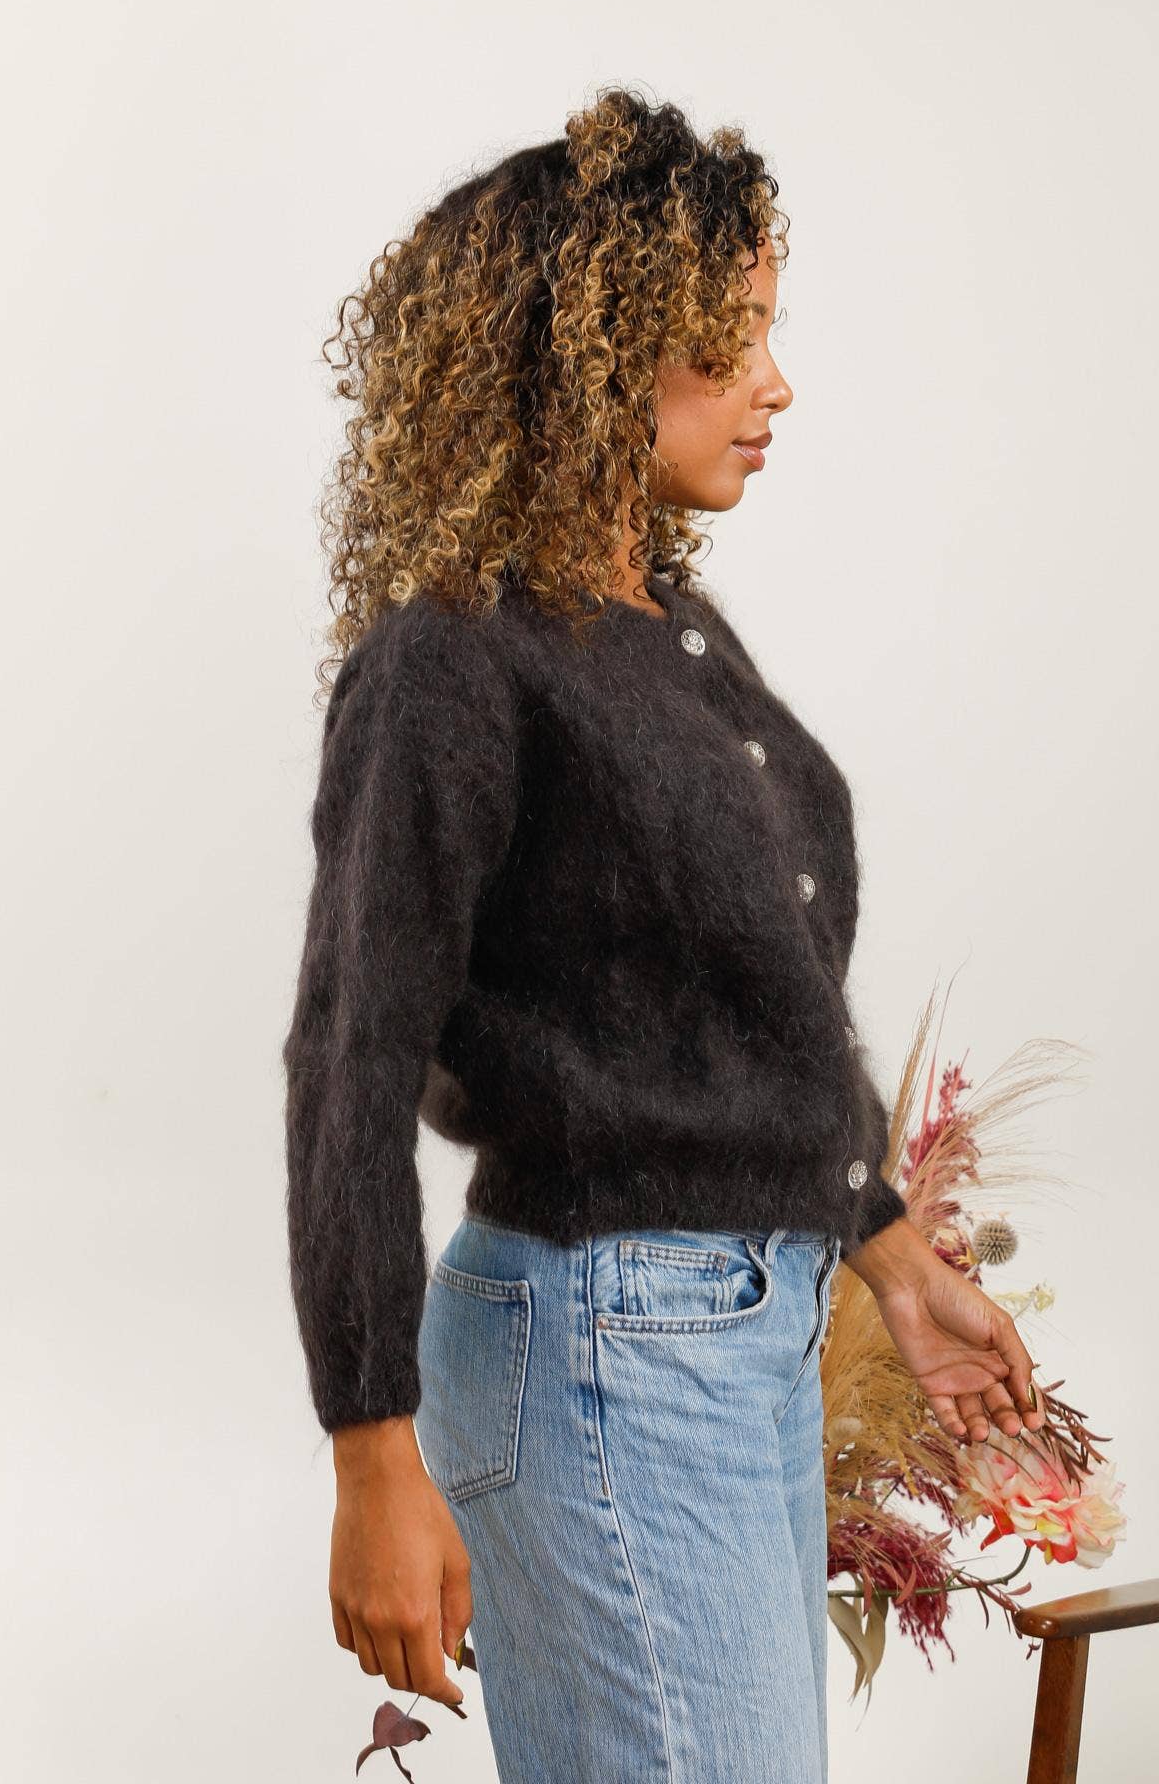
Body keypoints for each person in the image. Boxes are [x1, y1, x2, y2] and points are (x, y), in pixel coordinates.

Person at [281, 86, 1046, 1783]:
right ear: (584, 360)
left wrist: (888, 1256)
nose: (776, 386)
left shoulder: (669, 628)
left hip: (729, 1338)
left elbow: (744, 1013)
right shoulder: (453, 656)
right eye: (721, 347)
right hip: (607, 1352)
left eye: (768, 334)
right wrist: (369, 1451)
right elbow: (349, 1065)